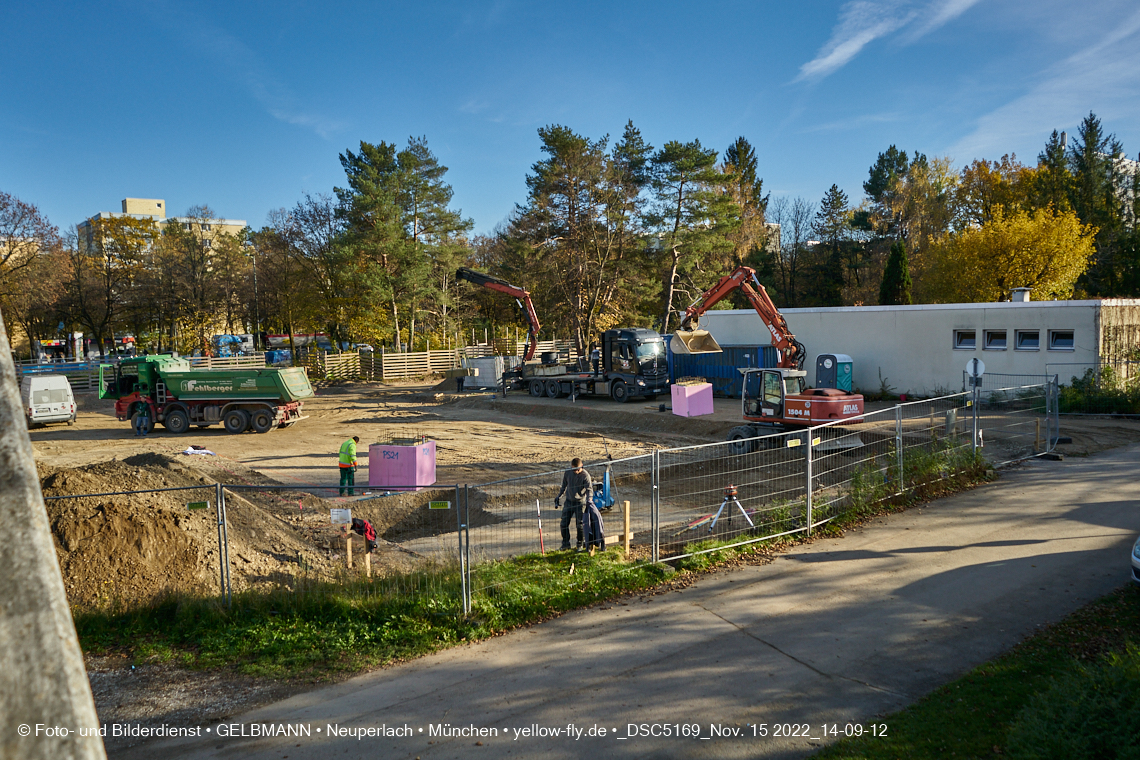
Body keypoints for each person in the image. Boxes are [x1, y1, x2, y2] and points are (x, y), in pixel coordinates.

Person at [554, 458, 593, 550]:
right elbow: (564, 486)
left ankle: (580, 544)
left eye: (577, 469)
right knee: (563, 523)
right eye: (574, 469)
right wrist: (559, 496)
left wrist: (589, 500)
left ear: (581, 466)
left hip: (580, 502)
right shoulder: (568, 472)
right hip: (569, 501)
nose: (576, 471)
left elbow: (589, 490)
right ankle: (565, 544)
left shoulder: (585, 476)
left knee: (580, 525)